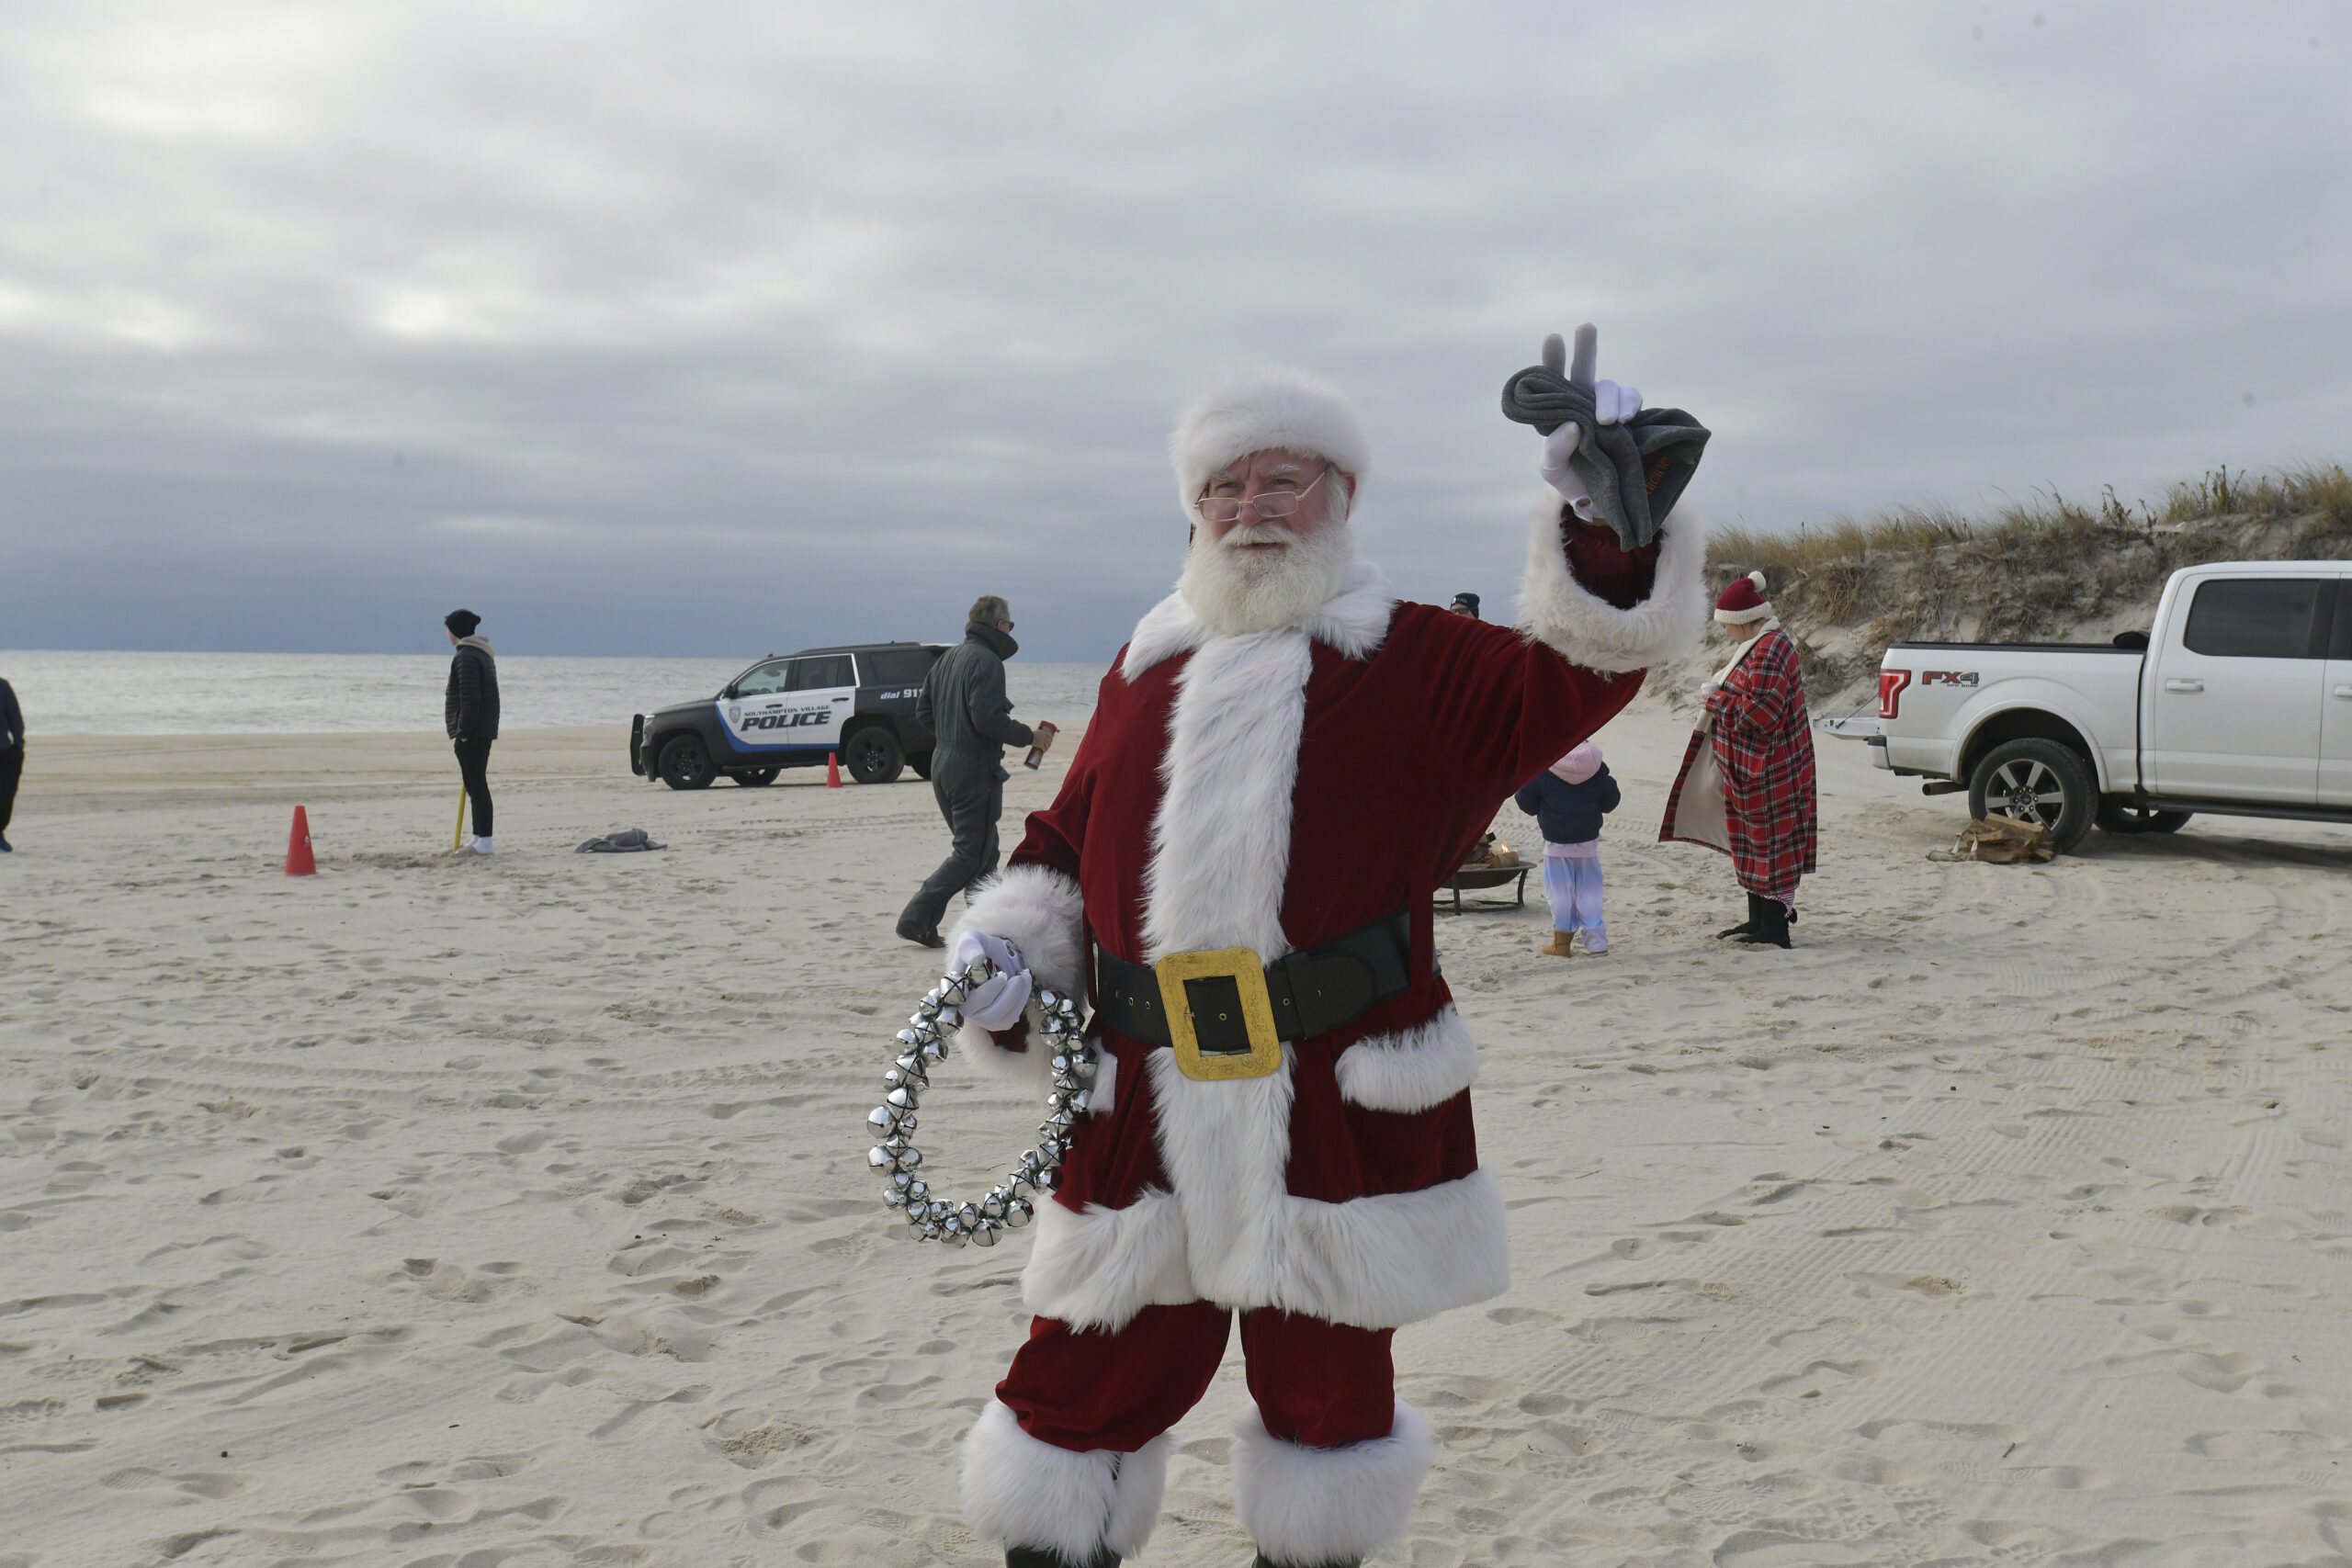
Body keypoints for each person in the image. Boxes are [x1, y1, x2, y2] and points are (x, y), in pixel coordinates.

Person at [936, 344, 1708, 1568]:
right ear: (1193, 511)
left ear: (1343, 495)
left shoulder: (1416, 657)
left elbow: (1576, 672)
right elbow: (1067, 829)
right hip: (1139, 1089)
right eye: (1222, 488)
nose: (1249, 509)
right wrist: (1008, 944)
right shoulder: (1145, 664)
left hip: (1332, 1088)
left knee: (1327, 1395)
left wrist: (1606, 533)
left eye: (1280, 481)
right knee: (1084, 1368)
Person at [1659, 570, 1817, 947]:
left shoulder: (1768, 651)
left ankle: (1775, 930)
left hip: (1770, 769)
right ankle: (1757, 922)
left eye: (1727, 625)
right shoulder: (1762, 645)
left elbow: (1761, 713)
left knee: (1769, 847)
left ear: (1742, 621)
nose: (1726, 633)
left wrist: (1715, 701)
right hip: (1756, 770)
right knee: (1753, 844)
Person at [896, 595, 1040, 948]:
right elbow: (988, 718)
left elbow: (923, 711)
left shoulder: (948, 659)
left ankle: (983, 924)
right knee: (971, 852)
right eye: (1010, 624)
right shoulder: (987, 661)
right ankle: (916, 918)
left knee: (984, 851)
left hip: (943, 764)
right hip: (972, 768)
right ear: (1000, 626)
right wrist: (1029, 736)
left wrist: (950, 737)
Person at [1514, 739, 1620, 955]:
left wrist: (1543, 809)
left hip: (1556, 843)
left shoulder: (1545, 767)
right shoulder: (1596, 768)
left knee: (1559, 893)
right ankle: (1597, 943)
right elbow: (1611, 800)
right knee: (1590, 892)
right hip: (1587, 841)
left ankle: (1561, 944)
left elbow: (1525, 800)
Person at [444, 609, 500, 855]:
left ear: (455, 631)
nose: (447, 633)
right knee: (474, 783)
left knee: (477, 784)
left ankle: (484, 842)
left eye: (448, 628)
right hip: (482, 729)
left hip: (473, 732)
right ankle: (478, 838)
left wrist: (463, 731)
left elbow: (470, 697)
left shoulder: (466, 656)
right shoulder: (480, 653)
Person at [0, 674, 22, 852]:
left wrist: (18, 744)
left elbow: (14, 716)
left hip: (4, 751)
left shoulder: (2, 687)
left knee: (5, 795)